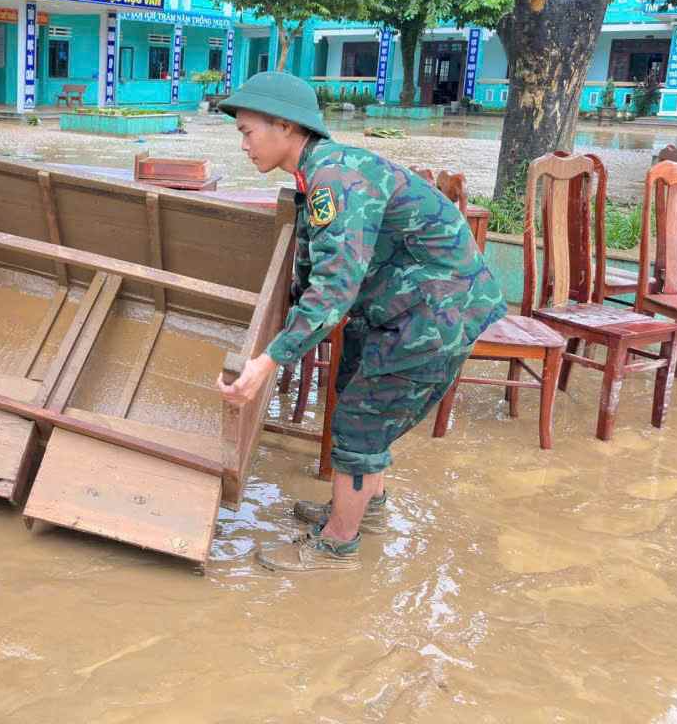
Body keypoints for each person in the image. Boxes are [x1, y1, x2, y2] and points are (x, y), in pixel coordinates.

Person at [216, 72, 506, 573]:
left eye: (247, 132)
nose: (243, 144)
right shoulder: (318, 173)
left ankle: (337, 544)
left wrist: (268, 361)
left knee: (358, 422)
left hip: (434, 313)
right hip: (400, 307)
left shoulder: (335, 179)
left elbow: (334, 287)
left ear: (285, 126)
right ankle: (365, 507)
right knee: (354, 391)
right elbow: (311, 274)